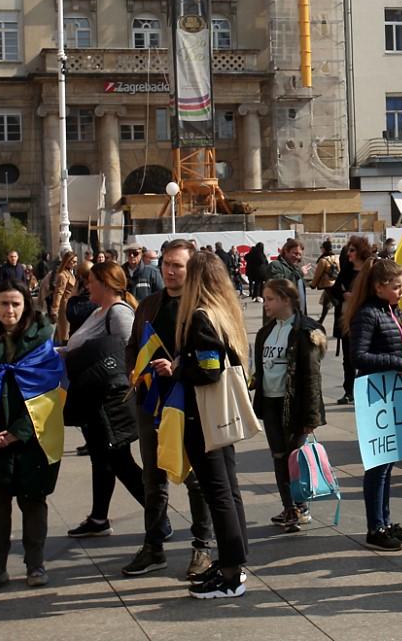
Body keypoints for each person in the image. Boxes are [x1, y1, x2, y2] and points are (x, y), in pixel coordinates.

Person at [122, 239, 214, 580]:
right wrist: (137, 370)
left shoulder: (202, 306)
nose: (170, 271)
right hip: (151, 401)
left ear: (192, 269)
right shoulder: (148, 305)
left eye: (178, 265)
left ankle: (202, 546)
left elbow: (213, 354)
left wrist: (179, 366)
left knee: (195, 478)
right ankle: (154, 545)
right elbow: (133, 346)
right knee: (153, 477)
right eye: (166, 264)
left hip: (188, 403)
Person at [0, 282, 63, 591]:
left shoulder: (42, 342)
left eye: (16, 304)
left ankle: (36, 565)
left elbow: (49, 390)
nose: (10, 310)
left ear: (26, 307)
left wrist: (19, 432)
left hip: (32, 437)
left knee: (33, 501)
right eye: (4, 303)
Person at [173, 252, 253, 599]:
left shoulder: (202, 317)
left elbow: (209, 370)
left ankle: (232, 573)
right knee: (229, 490)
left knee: (218, 492)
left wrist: (179, 367)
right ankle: (232, 563)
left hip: (203, 417)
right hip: (218, 415)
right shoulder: (225, 313)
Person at [344, 257, 402, 553]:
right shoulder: (367, 314)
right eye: (397, 286)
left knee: (387, 463)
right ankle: (375, 526)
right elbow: (358, 357)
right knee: (378, 465)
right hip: (376, 395)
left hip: (390, 392)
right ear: (379, 287)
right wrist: (398, 363)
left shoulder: (389, 310)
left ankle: (385, 522)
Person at [63, 262, 143, 539]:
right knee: (102, 459)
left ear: (106, 284)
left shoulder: (119, 313)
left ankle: (158, 512)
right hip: (94, 401)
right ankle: (99, 518)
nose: (87, 286)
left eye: (92, 282)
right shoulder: (100, 311)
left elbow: (130, 352)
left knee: (119, 460)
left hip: (110, 403)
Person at [253, 279, 326, 532]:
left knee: (295, 459)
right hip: (270, 404)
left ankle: (300, 506)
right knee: (279, 457)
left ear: (286, 299)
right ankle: (290, 508)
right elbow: (261, 369)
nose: (266, 304)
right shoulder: (266, 331)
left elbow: (311, 378)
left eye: (271, 298)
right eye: (265, 298)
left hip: (294, 406)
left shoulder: (306, 331)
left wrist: (311, 418)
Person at [328, 237, 374, 405]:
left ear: (361, 251)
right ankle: (349, 391)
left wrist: (360, 297)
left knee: (367, 357)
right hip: (347, 319)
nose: (349, 254)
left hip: (366, 320)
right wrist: (344, 295)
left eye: (352, 250)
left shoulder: (371, 269)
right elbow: (334, 290)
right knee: (348, 359)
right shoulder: (347, 270)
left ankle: (366, 390)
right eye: (349, 250)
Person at [266, 239, 310, 318]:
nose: (297, 257)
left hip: (297, 316)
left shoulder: (295, 268)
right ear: (286, 251)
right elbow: (279, 286)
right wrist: (299, 273)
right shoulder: (275, 265)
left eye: (300, 254)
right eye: (295, 253)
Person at [48, 251, 78, 344]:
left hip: (70, 305)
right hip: (64, 307)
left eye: (76, 261)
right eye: (72, 261)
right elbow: (58, 293)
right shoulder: (63, 275)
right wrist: (54, 310)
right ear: (67, 261)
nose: (75, 264)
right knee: (64, 335)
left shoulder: (70, 273)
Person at [311, 241, 340, 322]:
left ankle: (342, 320)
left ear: (324, 249)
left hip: (327, 285)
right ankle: (321, 319)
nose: (321, 249)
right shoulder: (337, 257)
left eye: (322, 248)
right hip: (336, 283)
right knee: (326, 303)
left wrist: (313, 285)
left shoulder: (323, 260)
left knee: (336, 304)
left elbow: (318, 274)